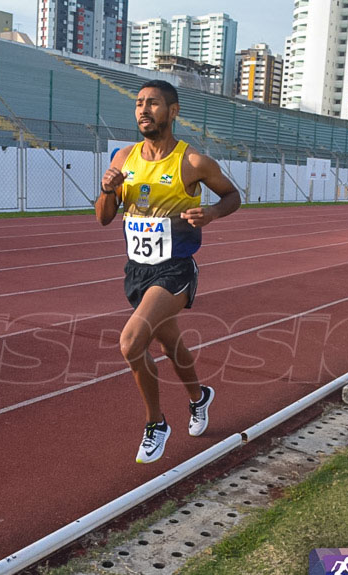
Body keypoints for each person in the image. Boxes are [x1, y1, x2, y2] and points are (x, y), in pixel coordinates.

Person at [95, 80, 240, 464]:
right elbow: (104, 219)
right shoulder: (124, 158)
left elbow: (232, 195)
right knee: (169, 346)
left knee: (131, 343)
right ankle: (199, 396)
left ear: (172, 112)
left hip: (175, 269)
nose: (144, 110)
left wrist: (210, 213)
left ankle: (155, 423)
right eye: (139, 103)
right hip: (137, 271)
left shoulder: (191, 162)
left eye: (153, 104)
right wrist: (108, 190)